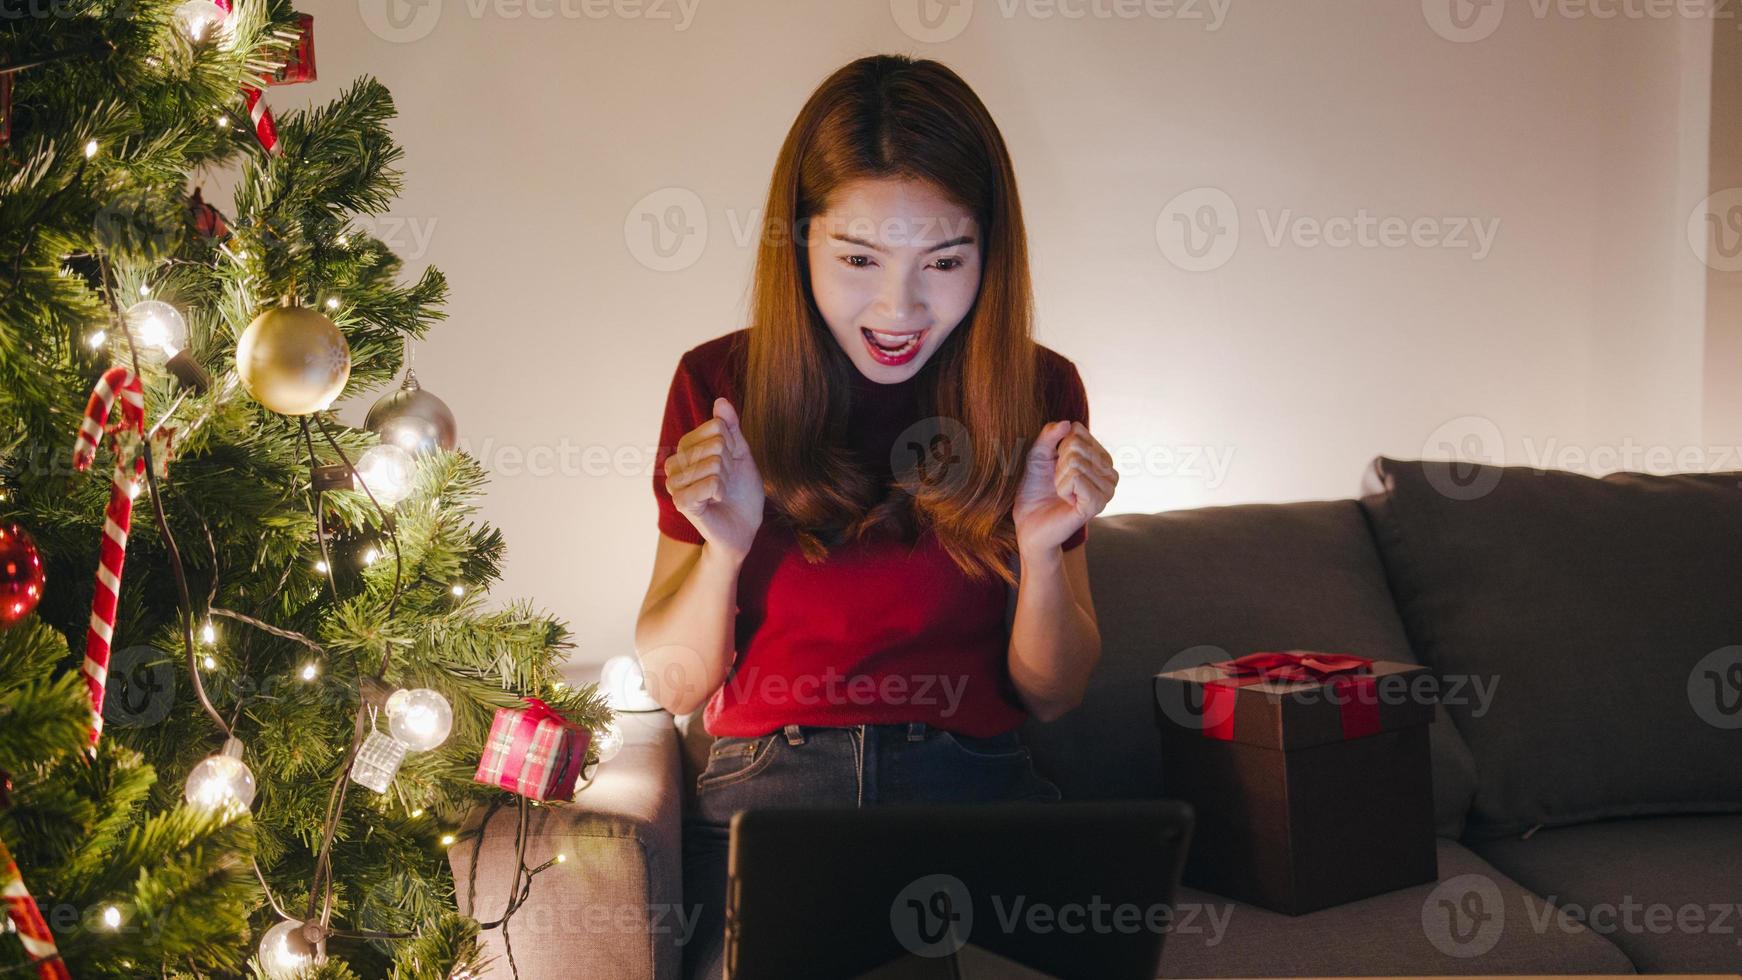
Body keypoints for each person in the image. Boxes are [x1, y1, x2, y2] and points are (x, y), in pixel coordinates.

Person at [633, 54, 1119, 980]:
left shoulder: (1039, 390)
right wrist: (723, 552)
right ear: (801, 242)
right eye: (858, 259)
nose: (899, 308)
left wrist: (1044, 550)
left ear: (990, 255)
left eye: (944, 260)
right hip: (774, 791)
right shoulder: (719, 384)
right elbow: (677, 686)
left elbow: (1054, 692)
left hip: (975, 785)